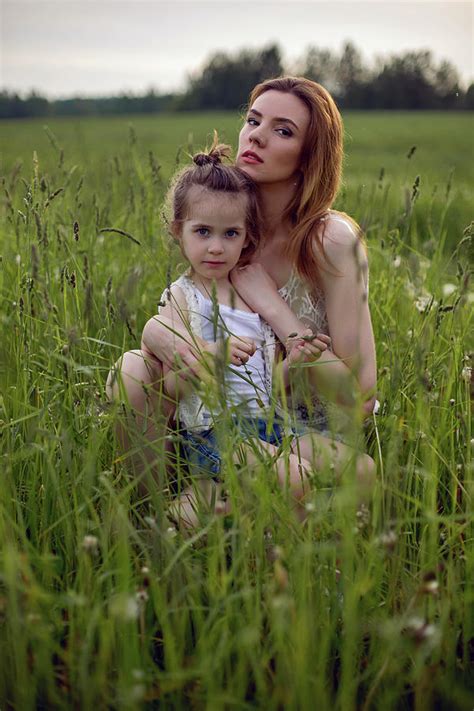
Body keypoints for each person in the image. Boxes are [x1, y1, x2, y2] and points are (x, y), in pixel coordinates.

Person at [106, 76, 376, 518]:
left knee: (354, 481)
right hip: (214, 414)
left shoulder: (331, 239)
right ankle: (151, 512)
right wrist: (173, 344)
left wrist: (274, 308)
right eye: (253, 120)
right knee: (131, 369)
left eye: (283, 130)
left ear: (310, 157)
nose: (257, 135)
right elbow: (173, 316)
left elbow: (359, 393)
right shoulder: (222, 221)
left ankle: (211, 510)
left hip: (298, 421)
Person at [149, 142, 330, 528]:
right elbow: (173, 388)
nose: (216, 247)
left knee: (339, 469)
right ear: (177, 232)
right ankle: (269, 561)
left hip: (268, 423)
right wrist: (212, 354)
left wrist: (296, 363)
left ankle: (257, 541)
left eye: (230, 233)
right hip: (214, 431)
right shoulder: (183, 298)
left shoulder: (252, 298)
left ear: (248, 237)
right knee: (297, 477)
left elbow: (271, 388)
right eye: (202, 232)